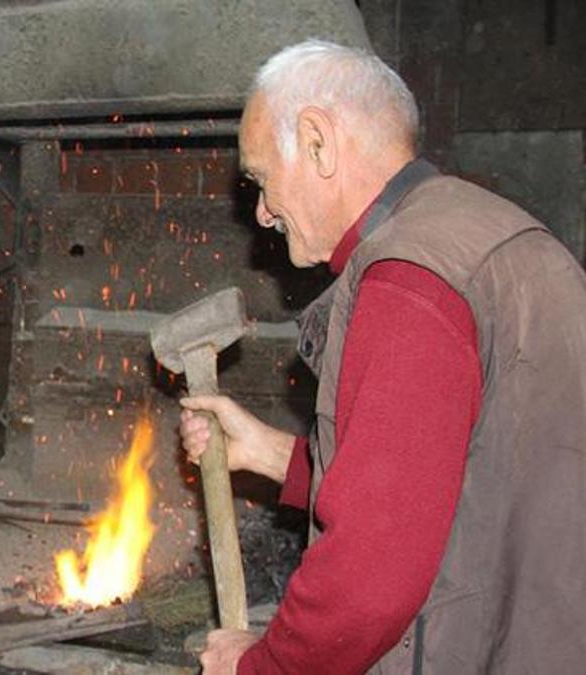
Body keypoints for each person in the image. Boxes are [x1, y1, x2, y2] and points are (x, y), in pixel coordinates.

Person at [180, 39, 586, 673]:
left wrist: (261, 665)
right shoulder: (486, 229)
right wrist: (270, 454)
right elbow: (450, 489)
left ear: (317, 141)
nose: (260, 213)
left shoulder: (407, 280)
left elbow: (371, 577)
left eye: (261, 179)